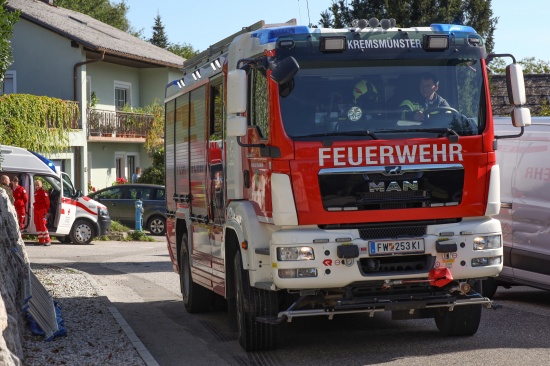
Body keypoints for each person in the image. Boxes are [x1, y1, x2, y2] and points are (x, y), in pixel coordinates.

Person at [33, 180, 51, 246]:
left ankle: (47, 240)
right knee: (37, 224)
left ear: (41, 185)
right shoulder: (35, 192)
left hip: (42, 210)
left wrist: (46, 211)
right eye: (36, 185)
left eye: (38, 185)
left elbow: (47, 202)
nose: (37, 186)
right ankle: (41, 240)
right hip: (36, 209)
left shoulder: (43, 192)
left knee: (42, 225)